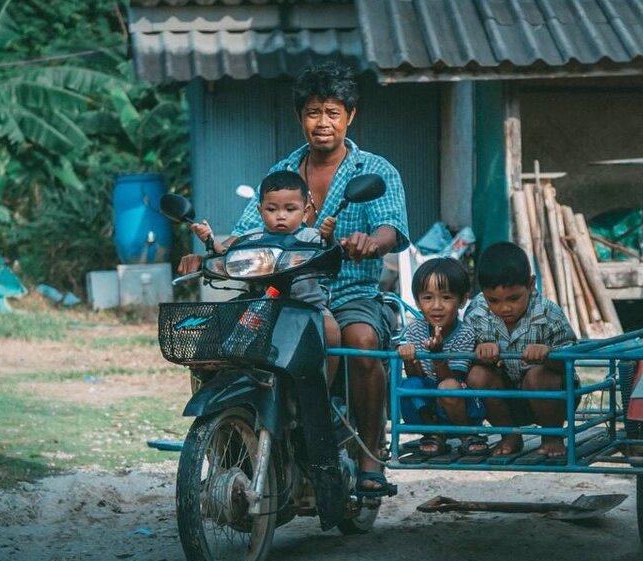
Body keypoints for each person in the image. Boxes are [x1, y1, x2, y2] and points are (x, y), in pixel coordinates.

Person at [179, 61, 409, 495]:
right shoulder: (283, 170)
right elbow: (248, 230)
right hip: (280, 291)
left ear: (350, 116)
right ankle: (234, 444)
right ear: (300, 116)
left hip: (348, 292)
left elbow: (392, 228)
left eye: (333, 113)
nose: (322, 123)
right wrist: (208, 253)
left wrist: (370, 242)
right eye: (313, 112)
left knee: (360, 341)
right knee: (214, 342)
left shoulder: (374, 171)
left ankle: (369, 458)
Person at [190, 170, 341, 379]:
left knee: (331, 329)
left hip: (308, 308)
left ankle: (325, 386)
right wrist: (210, 240)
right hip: (261, 306)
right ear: (260, 211)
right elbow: (227, 254)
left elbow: (331, 251)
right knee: (228, 336)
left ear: (306, 212)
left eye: (290, 209)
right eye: (272, 209)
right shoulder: (254, 237)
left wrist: (329, 236)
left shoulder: (312, 236)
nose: (281, 215)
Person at [465, 242, 577, 458]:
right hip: (506, 402)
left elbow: (570, 361)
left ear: (531, 284)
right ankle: (510, 435)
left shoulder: (548, 312)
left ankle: (552, 436)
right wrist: (480, 355)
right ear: (483, 292)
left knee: (537, 376)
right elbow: (463, 357)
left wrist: (548, 355)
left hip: (552, 400)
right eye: (494, 300)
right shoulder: (477, 312)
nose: (504, 308)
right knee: (477, 375)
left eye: (514, 298)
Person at [395, 258, 486, 456]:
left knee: (448, 388)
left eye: (446, 297)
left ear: (462, 300)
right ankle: (434, 433)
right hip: (430, 407)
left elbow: (452, 379)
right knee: (408, 384)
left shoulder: (466, 333)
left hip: (459, 407)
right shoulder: (415, 330)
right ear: (418, 302)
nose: (437, 306)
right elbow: (416, 376)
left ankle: (467, 434)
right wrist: (409, 360)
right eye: (428, 298)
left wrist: (438, 356)